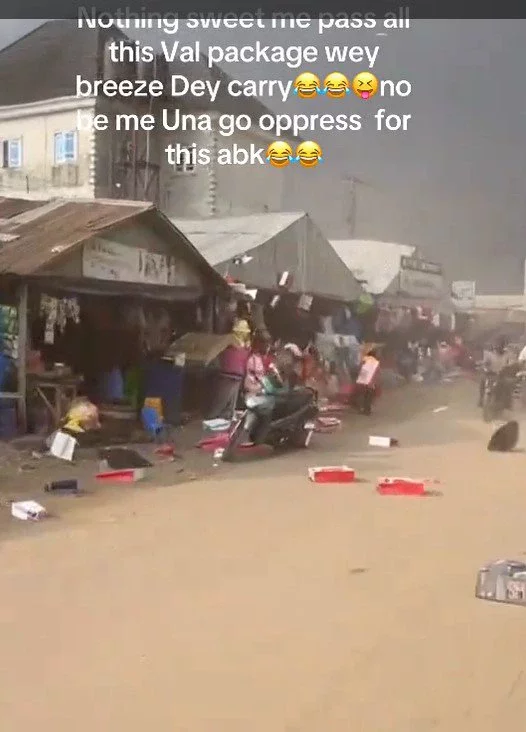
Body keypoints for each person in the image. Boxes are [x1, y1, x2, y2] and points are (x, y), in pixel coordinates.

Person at [208, 318, 251, 420]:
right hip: (228, 373)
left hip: (237, 374)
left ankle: (226, 418)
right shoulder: (229, 339)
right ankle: (212, 417)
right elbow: (216, 350)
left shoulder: (245, 343)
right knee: (222, 399)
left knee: (231, 401)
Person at [478, 338, 514, 408]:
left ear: (503, 346)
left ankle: (508, 404)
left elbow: (511, 362)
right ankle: (481, 399)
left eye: (500, 345)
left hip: (501, 375)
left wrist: (509, 366)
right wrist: (483, 366)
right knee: (482, 381)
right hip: (490, 374)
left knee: (508, 385)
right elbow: (485, 362)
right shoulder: (489, 354)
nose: (498, 347)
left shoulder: (507, 354)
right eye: (496, 346)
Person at [354, 348, 380, 415]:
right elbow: (376, 374)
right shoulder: (375, 363)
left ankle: (364, 409)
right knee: (368, 397)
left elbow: (360, 371)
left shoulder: (364, 362)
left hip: (362, 382)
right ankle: (367, 410)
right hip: (370, 383)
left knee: (364, 396)